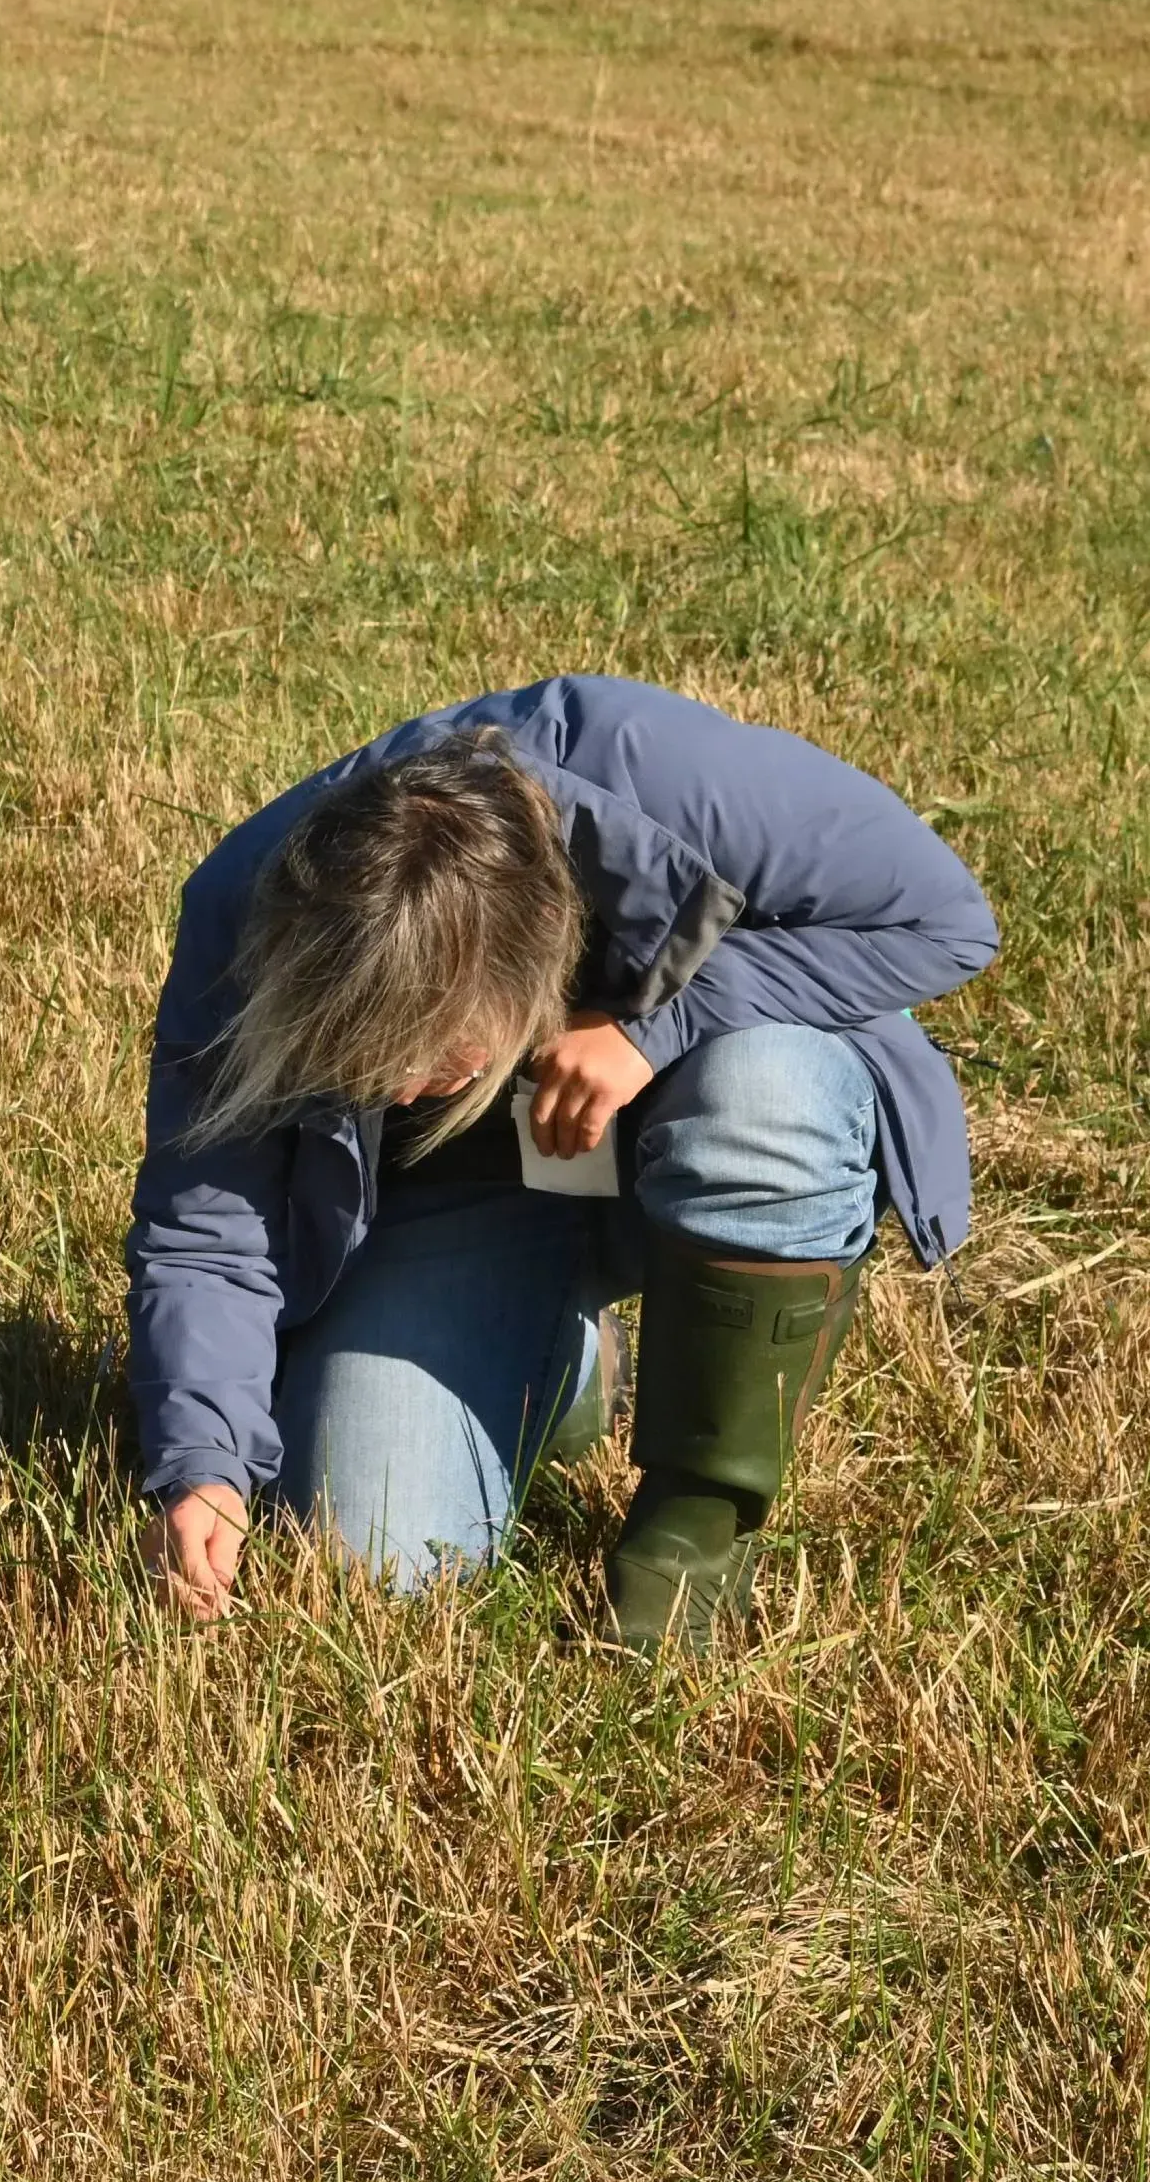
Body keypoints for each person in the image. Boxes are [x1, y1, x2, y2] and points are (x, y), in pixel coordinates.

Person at [128, 678, 996, 1645]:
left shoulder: (679, 780)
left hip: (695, 1109)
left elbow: (949, 923)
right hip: (463, 1193)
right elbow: (209, 1222)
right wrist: (202, 1462)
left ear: (540, 957)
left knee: (768, 1096)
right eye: (366, 1072)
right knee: (371, 1565)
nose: (403, 1092)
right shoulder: (241, 909)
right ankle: (567, 1368)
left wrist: (660, 1025)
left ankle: (685, 1554)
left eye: (437, 1059)